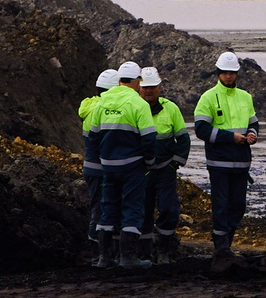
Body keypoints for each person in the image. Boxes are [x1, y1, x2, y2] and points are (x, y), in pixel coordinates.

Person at [85, 59, 159, 269]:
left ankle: (104, 258)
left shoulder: (103, 103)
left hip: (108, 167)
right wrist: (149, 161)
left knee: (107, 208)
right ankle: (128, 257)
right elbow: (149, 138)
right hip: (132, 166)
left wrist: (104, 158)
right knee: (132, 207)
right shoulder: (139, 104)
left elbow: (93, 137)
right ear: (137, 81)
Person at [191, 51, 258, 270]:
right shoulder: (208, 97)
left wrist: (252, 134)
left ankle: (226, 245)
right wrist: (230, 137)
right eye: (225, 73)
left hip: (241, 164)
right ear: (219, 73)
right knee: (221, 206)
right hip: (219, 164)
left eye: (232, 73)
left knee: (238, 206)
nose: (229, 77)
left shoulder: (245, 97)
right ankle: (221, 248)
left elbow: (253, 123)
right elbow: (201, 129)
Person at [140, 66, 189, 261]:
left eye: (152, 86)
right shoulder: (134, 108)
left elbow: (183, 139)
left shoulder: (171, 108)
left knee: (169, 209)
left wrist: (175, 163)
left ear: (159, 87)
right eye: (145, 87)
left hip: (164, 171)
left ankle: (163, 249)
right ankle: (144, 252)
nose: (149, 90)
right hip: (141, 171)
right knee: (143, 210)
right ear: (138, 88)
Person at [79, 68, 118, 266]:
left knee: (97, 208)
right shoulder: (106, 109)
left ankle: (97, 254)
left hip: (90, 168)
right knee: (104, 210)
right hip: (104, 168)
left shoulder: (90, 107)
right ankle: (103, 254)